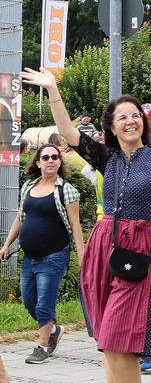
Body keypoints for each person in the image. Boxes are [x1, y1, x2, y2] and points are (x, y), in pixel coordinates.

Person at [21, 67, 151, 383]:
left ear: (142, 124)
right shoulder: (106, 158)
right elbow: (67, 133)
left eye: (135, 115)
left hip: (141, 251)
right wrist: (52, 91)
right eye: (122, 117)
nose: (130, 121)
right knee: (105, 338)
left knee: (117, 336)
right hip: (105, 246)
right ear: (111, 127)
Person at [0, 143, 86, 364]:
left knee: (44, 304)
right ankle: (54, 329)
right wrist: (7, 243)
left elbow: (75, 225)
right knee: (29, 302)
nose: (50, 160)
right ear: (37, 162)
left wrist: (82, 255)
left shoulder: (65, 189)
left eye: (55, 157)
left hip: (54, 256)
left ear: (59, 162)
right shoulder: (29, 185)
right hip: (29, 257)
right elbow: (20, 217)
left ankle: (42, 347)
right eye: (45, 157)